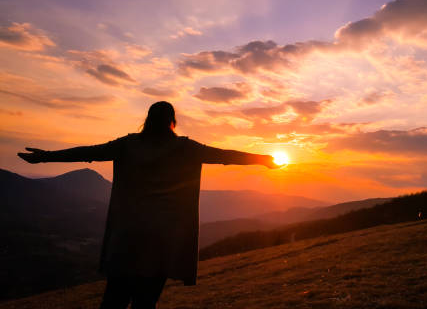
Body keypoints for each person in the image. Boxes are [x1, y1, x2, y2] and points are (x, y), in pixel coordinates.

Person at [18, 101, 278, 309]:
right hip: (163, 238)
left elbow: (88, 152)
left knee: (114, 299)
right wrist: (263, 158)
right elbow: (225, 156)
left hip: (127, 234)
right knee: (146, 301)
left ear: (147, 119)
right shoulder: (186, 148)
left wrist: (45, 157)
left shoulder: (128, 145)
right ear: (172, 121)